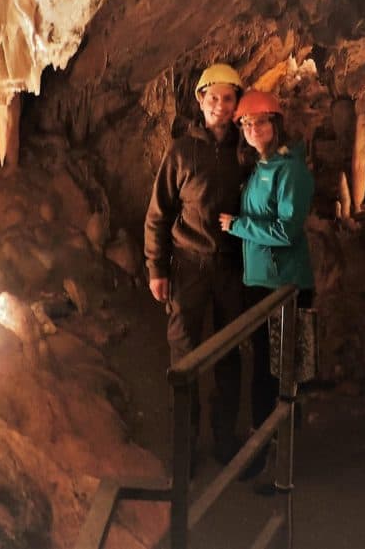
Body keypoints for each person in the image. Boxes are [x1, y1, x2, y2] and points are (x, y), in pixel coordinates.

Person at [144, 63, 247, 467]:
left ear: (237, 103)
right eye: (214, 98)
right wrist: (157, 268)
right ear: (200, 101)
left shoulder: (245, 151)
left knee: (228, 355)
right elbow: (159, 213)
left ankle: (225, 440)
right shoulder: (182, 151)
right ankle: (184, 447)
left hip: (230, 267)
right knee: (184, 356)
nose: (220, 106)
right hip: (188, 264)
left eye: (228, 98)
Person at [219, 89, 315, 486]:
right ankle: (266, 454)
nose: (253, 129)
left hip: (285, 288)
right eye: (246, 123)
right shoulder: (260, 167)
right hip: (261, 284)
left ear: (277, 125)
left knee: (278, 375)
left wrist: (236, 225)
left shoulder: (290, 170)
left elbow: (287, 229)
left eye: (261, 122)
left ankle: (278, 465)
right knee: (264, 371)